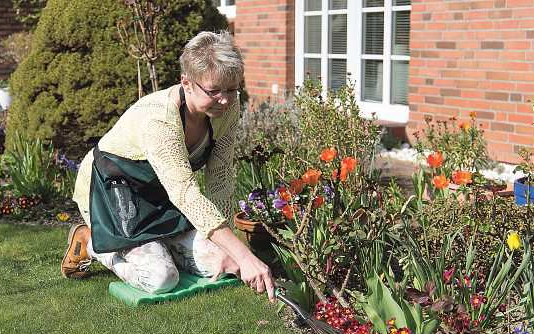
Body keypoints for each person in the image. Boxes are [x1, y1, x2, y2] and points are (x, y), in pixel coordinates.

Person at [60, 31, 275, 302]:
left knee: (222, 261)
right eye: (214, 90)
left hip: (162, 191)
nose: (225, 99)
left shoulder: (226, 109)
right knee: (161, 278)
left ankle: (159, 244)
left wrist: (231, 250)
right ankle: (93, 242)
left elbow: (219, 177)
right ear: (186, 82)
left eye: (233, 89)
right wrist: (245, 256)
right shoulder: (159, 120)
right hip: (113, 193)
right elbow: (185, 192)